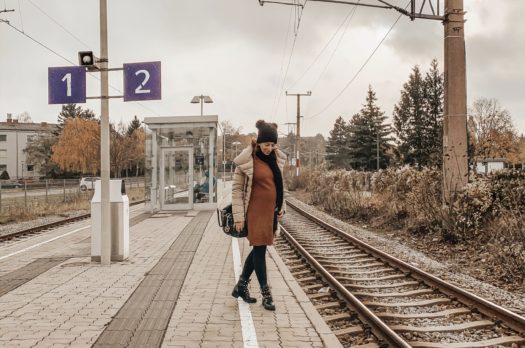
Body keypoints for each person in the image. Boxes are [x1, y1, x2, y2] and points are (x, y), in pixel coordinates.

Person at [230, 120, 286, 311]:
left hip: (270, 212)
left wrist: (282, 205)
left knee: (258, 250)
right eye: (266, 144)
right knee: (260, 250)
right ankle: (266, 293)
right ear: (259, 142)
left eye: (273, 144)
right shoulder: (247, 159)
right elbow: (237, 189)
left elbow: (279, 186)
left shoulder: (276, 159)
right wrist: (238, 217)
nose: (270, 148)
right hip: (253, 212)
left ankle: (241, 285)